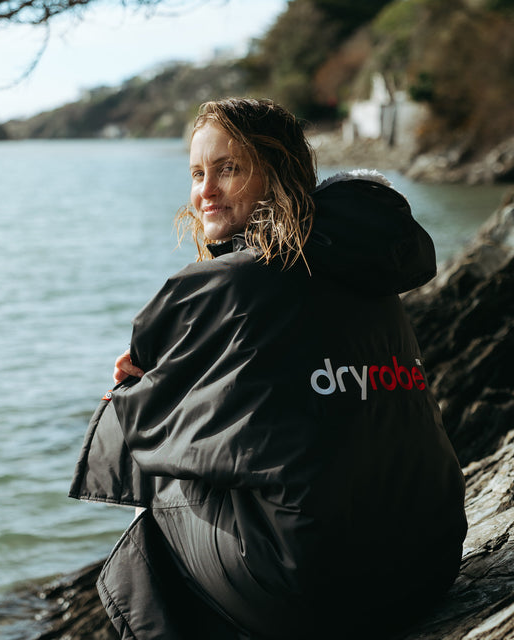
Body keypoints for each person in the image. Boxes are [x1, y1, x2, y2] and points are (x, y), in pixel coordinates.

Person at [69, 98, 467, 640]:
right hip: (431, 562)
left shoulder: (226, 284)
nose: (205, 190)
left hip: (320, 594)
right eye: (197, 173)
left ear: (277, 174)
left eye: (228, 169)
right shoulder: (365, 267)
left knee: (160, 501)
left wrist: (139, 387)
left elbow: (131, 432)